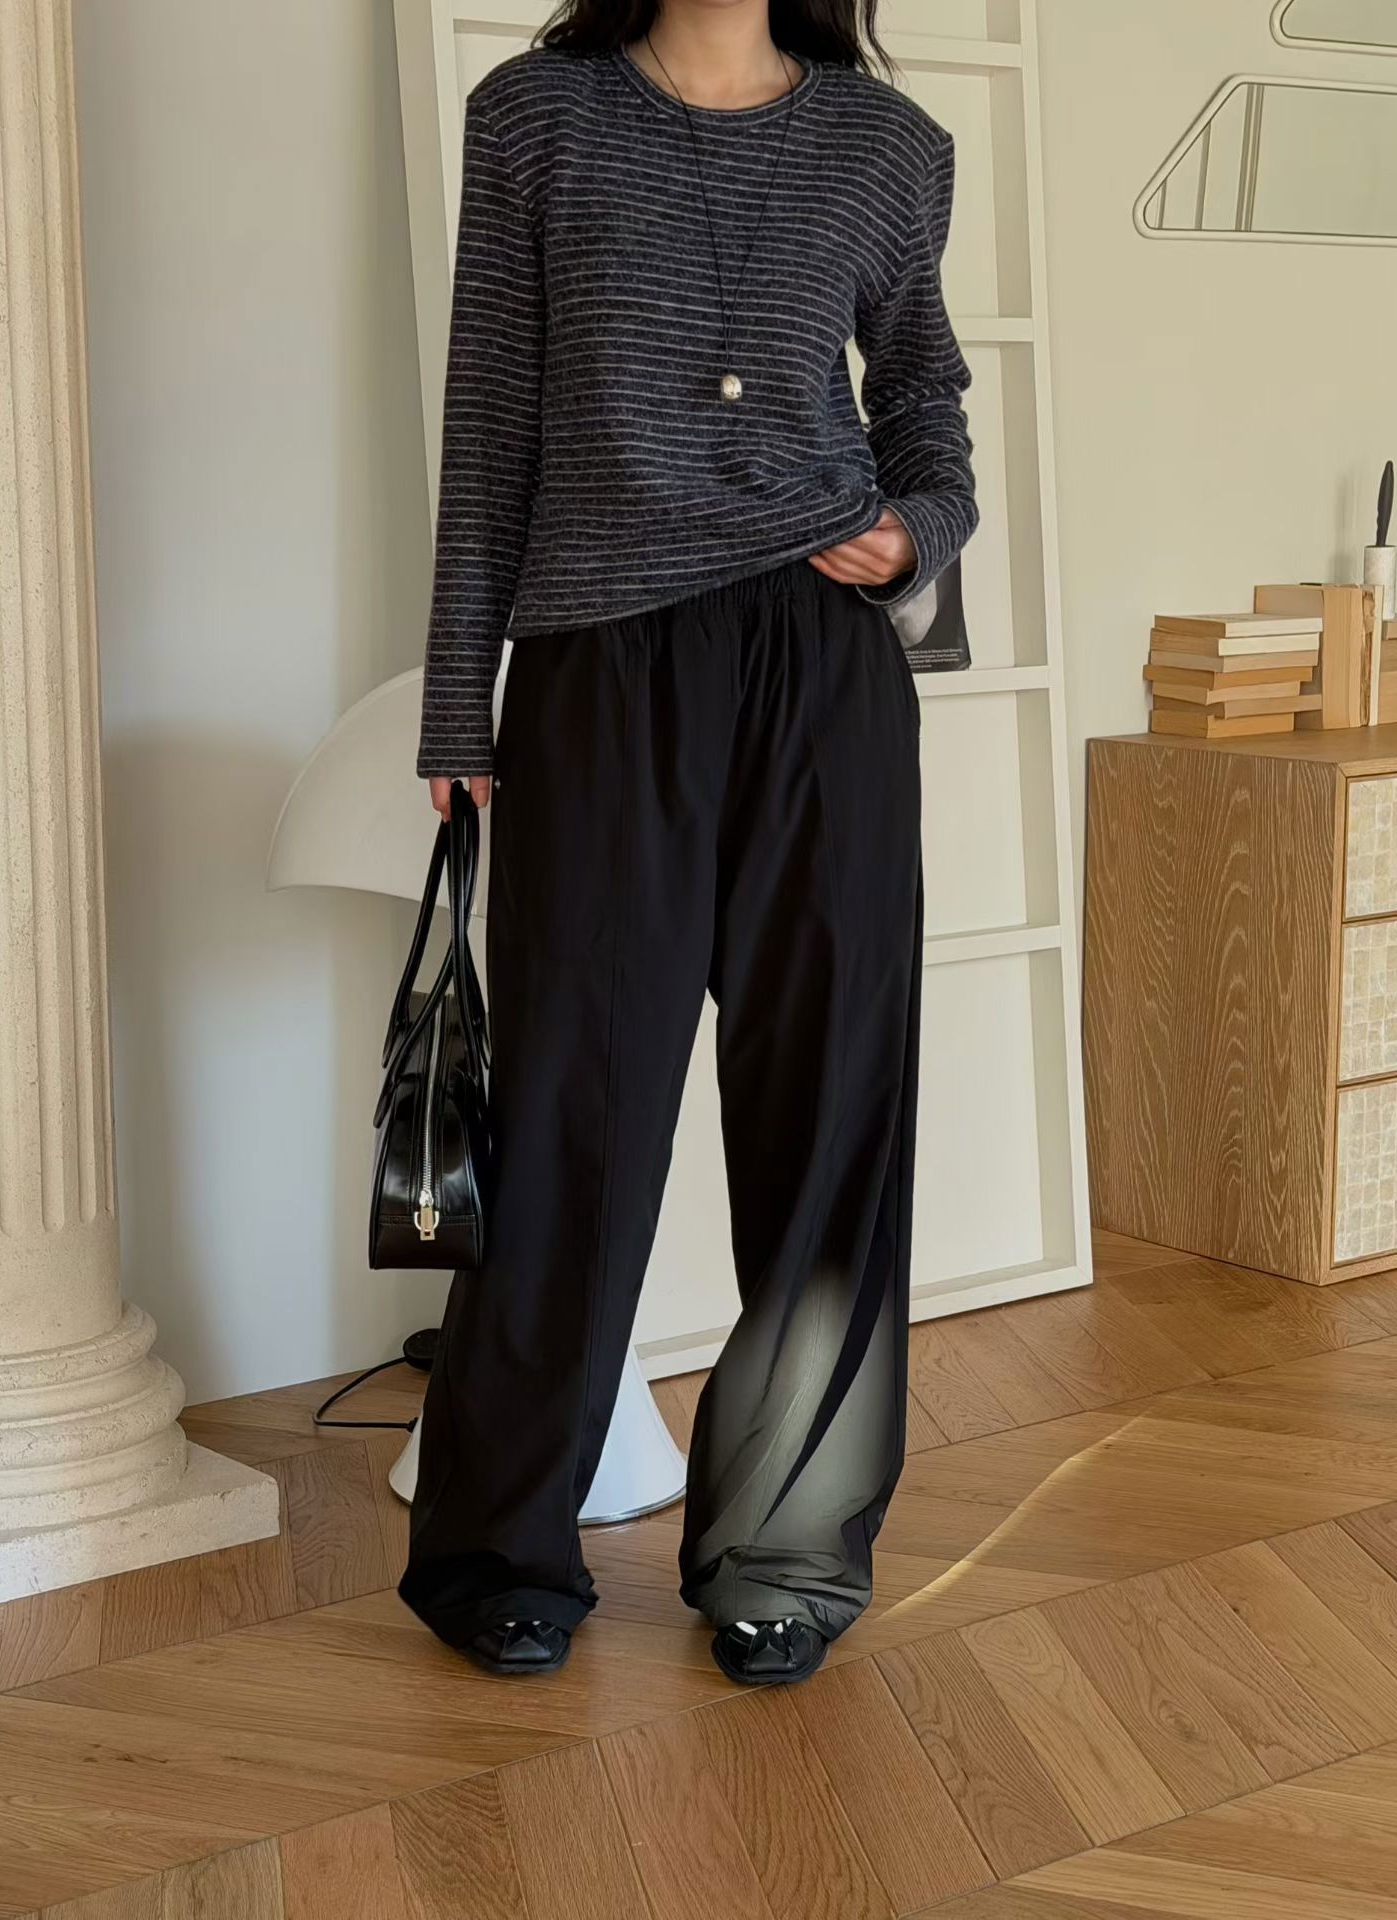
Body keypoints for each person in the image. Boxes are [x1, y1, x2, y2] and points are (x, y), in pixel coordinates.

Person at [398, 0, 977, 1688]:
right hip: (602, 668)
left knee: (830, 1109)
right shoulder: (538, 117)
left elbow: (923, 386)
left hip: (824, 668)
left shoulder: (888, 145)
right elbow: (491, 417)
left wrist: (918, 527)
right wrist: (460, 708)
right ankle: (502, 1547)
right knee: (572, 1112)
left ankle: (786, 1550)